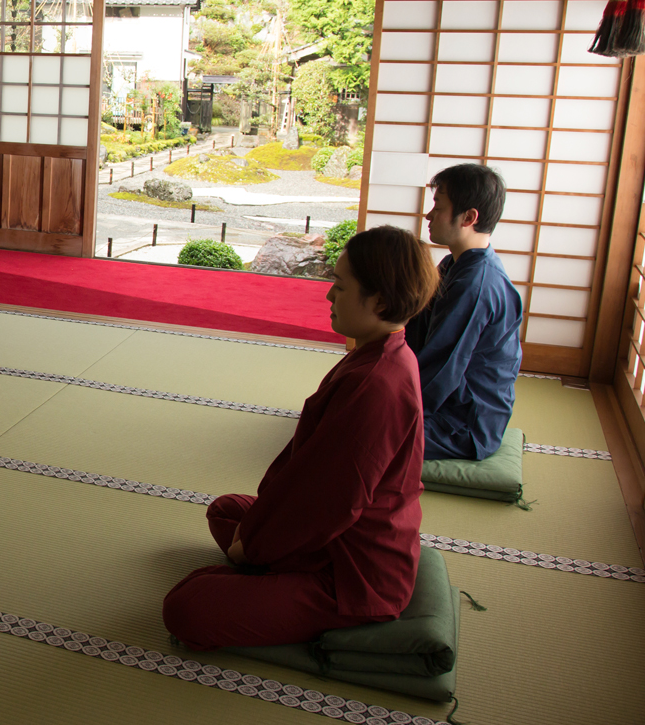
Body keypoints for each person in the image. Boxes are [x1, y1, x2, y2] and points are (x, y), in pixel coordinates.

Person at [163, 226, 438, 652]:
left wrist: (253, 549)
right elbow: (311, 476)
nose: (329, 296)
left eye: (341, 286)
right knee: (226, 511)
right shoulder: (380, 354)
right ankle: (270, 573)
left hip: (353, 575)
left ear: (380, 301)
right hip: (329, 536)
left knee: (187, 606)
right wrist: (256, 536)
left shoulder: (376, 383)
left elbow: (332, 501)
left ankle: (279, 580)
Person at [407, 164, 523, 460]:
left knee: (358, 428)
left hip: (462, 423)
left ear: (469, 217)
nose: (429, 215)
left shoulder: (476, 284)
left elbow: (441, 368)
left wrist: (391, 405)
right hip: (447, 404)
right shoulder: (454, 265)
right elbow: (414, 329)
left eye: (438, 206)